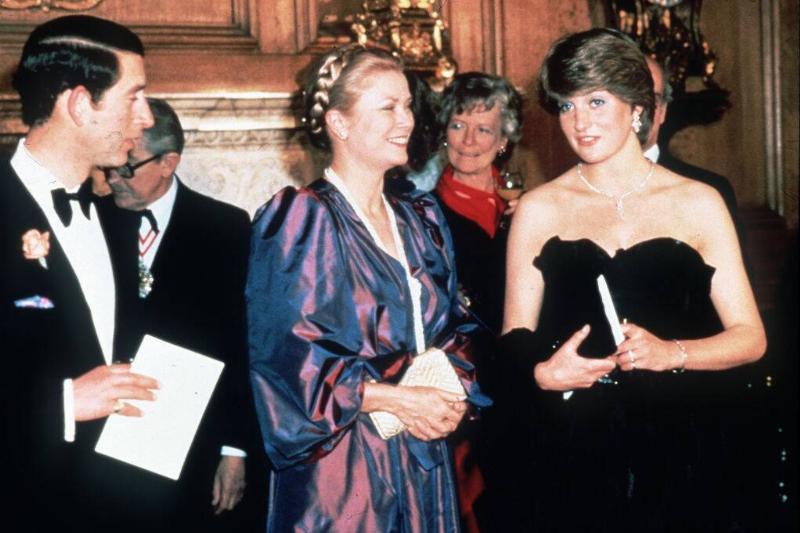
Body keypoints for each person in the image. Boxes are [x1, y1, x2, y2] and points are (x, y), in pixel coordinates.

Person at [500, 28, 766, 532]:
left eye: (596, 102)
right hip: (576, 448)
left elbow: (751, 339)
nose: (579, 123)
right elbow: (514, 336)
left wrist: (673, 353)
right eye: (566, 106)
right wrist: (541, 372)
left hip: (687, 447)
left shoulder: (699, 201)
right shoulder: (537, 208)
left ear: (637, 106)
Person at [247, 44, 489, 532]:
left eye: (407, 105)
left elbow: (454, 328)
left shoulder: (420, 217)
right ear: (339, 123)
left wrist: (452, 393)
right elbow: (289, 363)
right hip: (345, 470)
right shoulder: (302, 218)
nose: (407, 120)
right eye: (387, 108)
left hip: (423, 450)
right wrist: (395, 399)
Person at [0, 15, 161, 530]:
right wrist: (63, 402)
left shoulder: (115, 220)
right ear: (78, 103)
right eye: (133, 97)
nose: (147, 118)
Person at [102, 97, 265, 531]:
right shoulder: (91, 219)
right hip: (107, 440)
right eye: (112, 161)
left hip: (198, 444)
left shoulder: (226, 228)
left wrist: (235, 449)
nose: (113, 175)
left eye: (128, 165)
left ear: (168, 162)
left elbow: (242, 343)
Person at [434, 71, 523, 335]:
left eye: (483, 129)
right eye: (458, 125)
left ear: (503, 141)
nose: (468, 140)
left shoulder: (526, 205)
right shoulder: (424, 213)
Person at [643, 56, 747, 251]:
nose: (638, 111)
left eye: (651, 100)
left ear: (663, 110)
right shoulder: (570, 192)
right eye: (628, 98)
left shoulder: (711, 189)